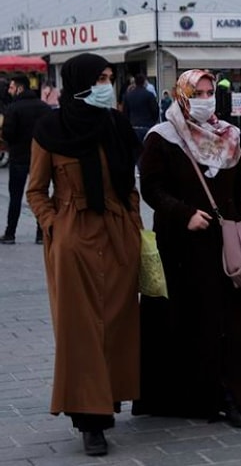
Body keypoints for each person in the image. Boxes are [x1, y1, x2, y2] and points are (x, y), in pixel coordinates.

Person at [26, 53, 143, 458]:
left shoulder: (116, 124)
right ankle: (90, 421)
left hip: (116, 237)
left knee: (113, 325)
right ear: (80, 83)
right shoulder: (50, 129)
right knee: (80, 332)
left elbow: (129, 180)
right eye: (101, 78)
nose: (107, 85)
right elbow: (36, 190)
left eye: (110, 78)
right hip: (73, 239)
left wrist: (132, 222)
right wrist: (56, 226)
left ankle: (106, 403)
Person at [134, 70, 241, 428]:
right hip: (181, 247)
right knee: (186, 320)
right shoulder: (163, 137)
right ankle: (186, 397)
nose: (205, 98)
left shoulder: (230, 136)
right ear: (181, 95)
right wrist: (184, 214)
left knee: (230, 324)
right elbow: (152, 189)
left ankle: (233, 395)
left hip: (226, 247)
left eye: (209, 92)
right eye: (198, 92)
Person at [1, 74, 51, 244]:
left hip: (18, 157)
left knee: (15, 196)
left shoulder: (13, 109)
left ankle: (10, 233)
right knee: (40, 194)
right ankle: (41, 233)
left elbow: (7, 134)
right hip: (40, 157)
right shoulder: (44, 107)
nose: (9, 90)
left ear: (20, 88)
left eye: (12, 87)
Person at [122, 73, 160, 143]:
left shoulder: (128, 96)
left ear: (135, 82)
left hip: (133, 127)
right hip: (147, 126)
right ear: (144, 82)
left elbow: (125, 113)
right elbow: (155, 110)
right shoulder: (149, 95)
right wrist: (153, 121)